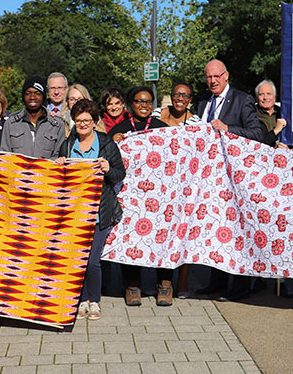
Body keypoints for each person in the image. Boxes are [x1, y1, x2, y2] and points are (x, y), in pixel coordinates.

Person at [195, 60, 266, 301]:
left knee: (238, 231)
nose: (212, 81)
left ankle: (240, 287)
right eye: (208, 77)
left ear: (226, 76)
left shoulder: (242, 99)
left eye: (216, 76)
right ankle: (216, 282)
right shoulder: (204, 100)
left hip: (236, 179)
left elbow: (257, 134)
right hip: (211, 179)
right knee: (216, 229)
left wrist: (227, 128)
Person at [55, 99, 125, 320]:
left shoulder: (106, 145)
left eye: (86, 120)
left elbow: (120, 175)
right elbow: (60, 179)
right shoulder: (68, 145)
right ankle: (82, 300)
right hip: (75, 212)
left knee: (93, 260)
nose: (82, 124)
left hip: (100, 212)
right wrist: (58, 165)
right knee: (78, 259)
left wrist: (107, 169)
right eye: (78, 121)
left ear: (95, 122)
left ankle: (95, 300)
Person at [107, 87, 174, 306]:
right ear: (130, 104)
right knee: (131, 238)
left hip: (160, 197)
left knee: (163, 238)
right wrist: (114, 140)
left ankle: (164, 284)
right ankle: (132, 285)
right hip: (132, 196)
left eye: (148, 102)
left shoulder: (163, 129)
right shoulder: (120, 129)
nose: (144, 105)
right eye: (139, 101)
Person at [151, 82, 201, 297]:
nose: (180, 98)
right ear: (171, 97)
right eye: (177, 94)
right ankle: (163, 282)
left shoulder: (196, 122)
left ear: (190, 99)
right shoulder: (156, 115)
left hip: (186, 184)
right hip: (160, 184)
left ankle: (182, 281)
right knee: (162, 233)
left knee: (184, 233)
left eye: (185, 95)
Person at [0, 76, 65, 159]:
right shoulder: (11, 123)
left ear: (43, 96)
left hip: (46, 171)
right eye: (28, 93)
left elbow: (59, 157)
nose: (32, 97)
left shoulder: (56, 125)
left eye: (37, 93)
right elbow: (5, 156)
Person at [255, 79, 287, 147]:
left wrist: (288, 149)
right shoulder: (251, 115)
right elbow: (258, 144)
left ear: (275, 97)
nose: (265, 97)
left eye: (269, 94)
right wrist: (276, 130)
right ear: (257, 98)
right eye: (261, 94)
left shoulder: (284, 113)